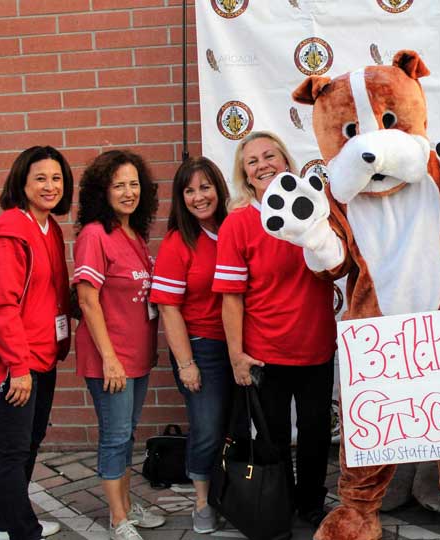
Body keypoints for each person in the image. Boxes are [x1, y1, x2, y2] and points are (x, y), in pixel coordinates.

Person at [212, 131, 337, 531]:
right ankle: (276, 506)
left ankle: (312, 505)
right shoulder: (238, 225)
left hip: (317, 346)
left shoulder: (319, 209)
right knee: (275, 439)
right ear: (245, 175)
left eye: (270, 156)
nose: (263, 164)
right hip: (266, 352)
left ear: (286, 162)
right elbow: (231, 298)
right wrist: (237, 356)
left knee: (317, 434)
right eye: (253, 161)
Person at [0, 146, 74, 540]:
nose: (51, 186)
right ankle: (20, 531)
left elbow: (52, 292)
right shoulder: (9, 231)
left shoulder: (49, 227)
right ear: (22, 183)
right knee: (11, 451)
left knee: (28, 443)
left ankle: (6, 522)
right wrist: (17, 368)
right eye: (41, 178)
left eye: (57, 178)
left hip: (41, 357)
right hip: (9, 364)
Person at [73, 150, 164, 540]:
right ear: (101, 191)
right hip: (111, 359)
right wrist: (110, 359)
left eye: (134, 184)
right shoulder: (95, 234)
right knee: (114, 435)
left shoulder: (134, 234)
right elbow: (87, 300)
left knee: (127, 434)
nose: (129, 192)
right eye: (118, 185)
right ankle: (117, 518)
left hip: (137, 355)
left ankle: (127, 506)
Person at [149, 157, 231, 534]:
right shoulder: (177, 242)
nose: (199, 197)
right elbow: (168, 308)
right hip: (201, 348)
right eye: (189, 190)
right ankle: (202, 503)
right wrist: (186, 364)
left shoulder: (234, 228)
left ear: (219, 187)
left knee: (236, 428)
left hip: (241, 347)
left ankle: (232, 495)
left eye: (205, 186)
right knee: (208, 429)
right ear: (180, 198)